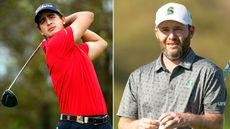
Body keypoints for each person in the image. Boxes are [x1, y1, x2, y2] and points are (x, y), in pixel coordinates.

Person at [117, 2, 227, 129]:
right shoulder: (138, 76)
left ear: (191, 31)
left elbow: (217, 123)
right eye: (165, 30)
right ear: (156, 33)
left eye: (178, 29)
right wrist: (137, 125)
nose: (171, 36)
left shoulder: (209, 72)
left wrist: (185, 118)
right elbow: (124, 123)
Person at [34, 3, 112, 129]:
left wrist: (66, 23)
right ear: (40, 30)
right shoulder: (56, 43)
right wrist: (64, 22)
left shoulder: (76, 51)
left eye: (51, 17)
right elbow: (88, 15)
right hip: (77, 125)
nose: (48, 22)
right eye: (43, 21)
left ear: (62, 18)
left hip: (102, 123)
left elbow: (101, 43)